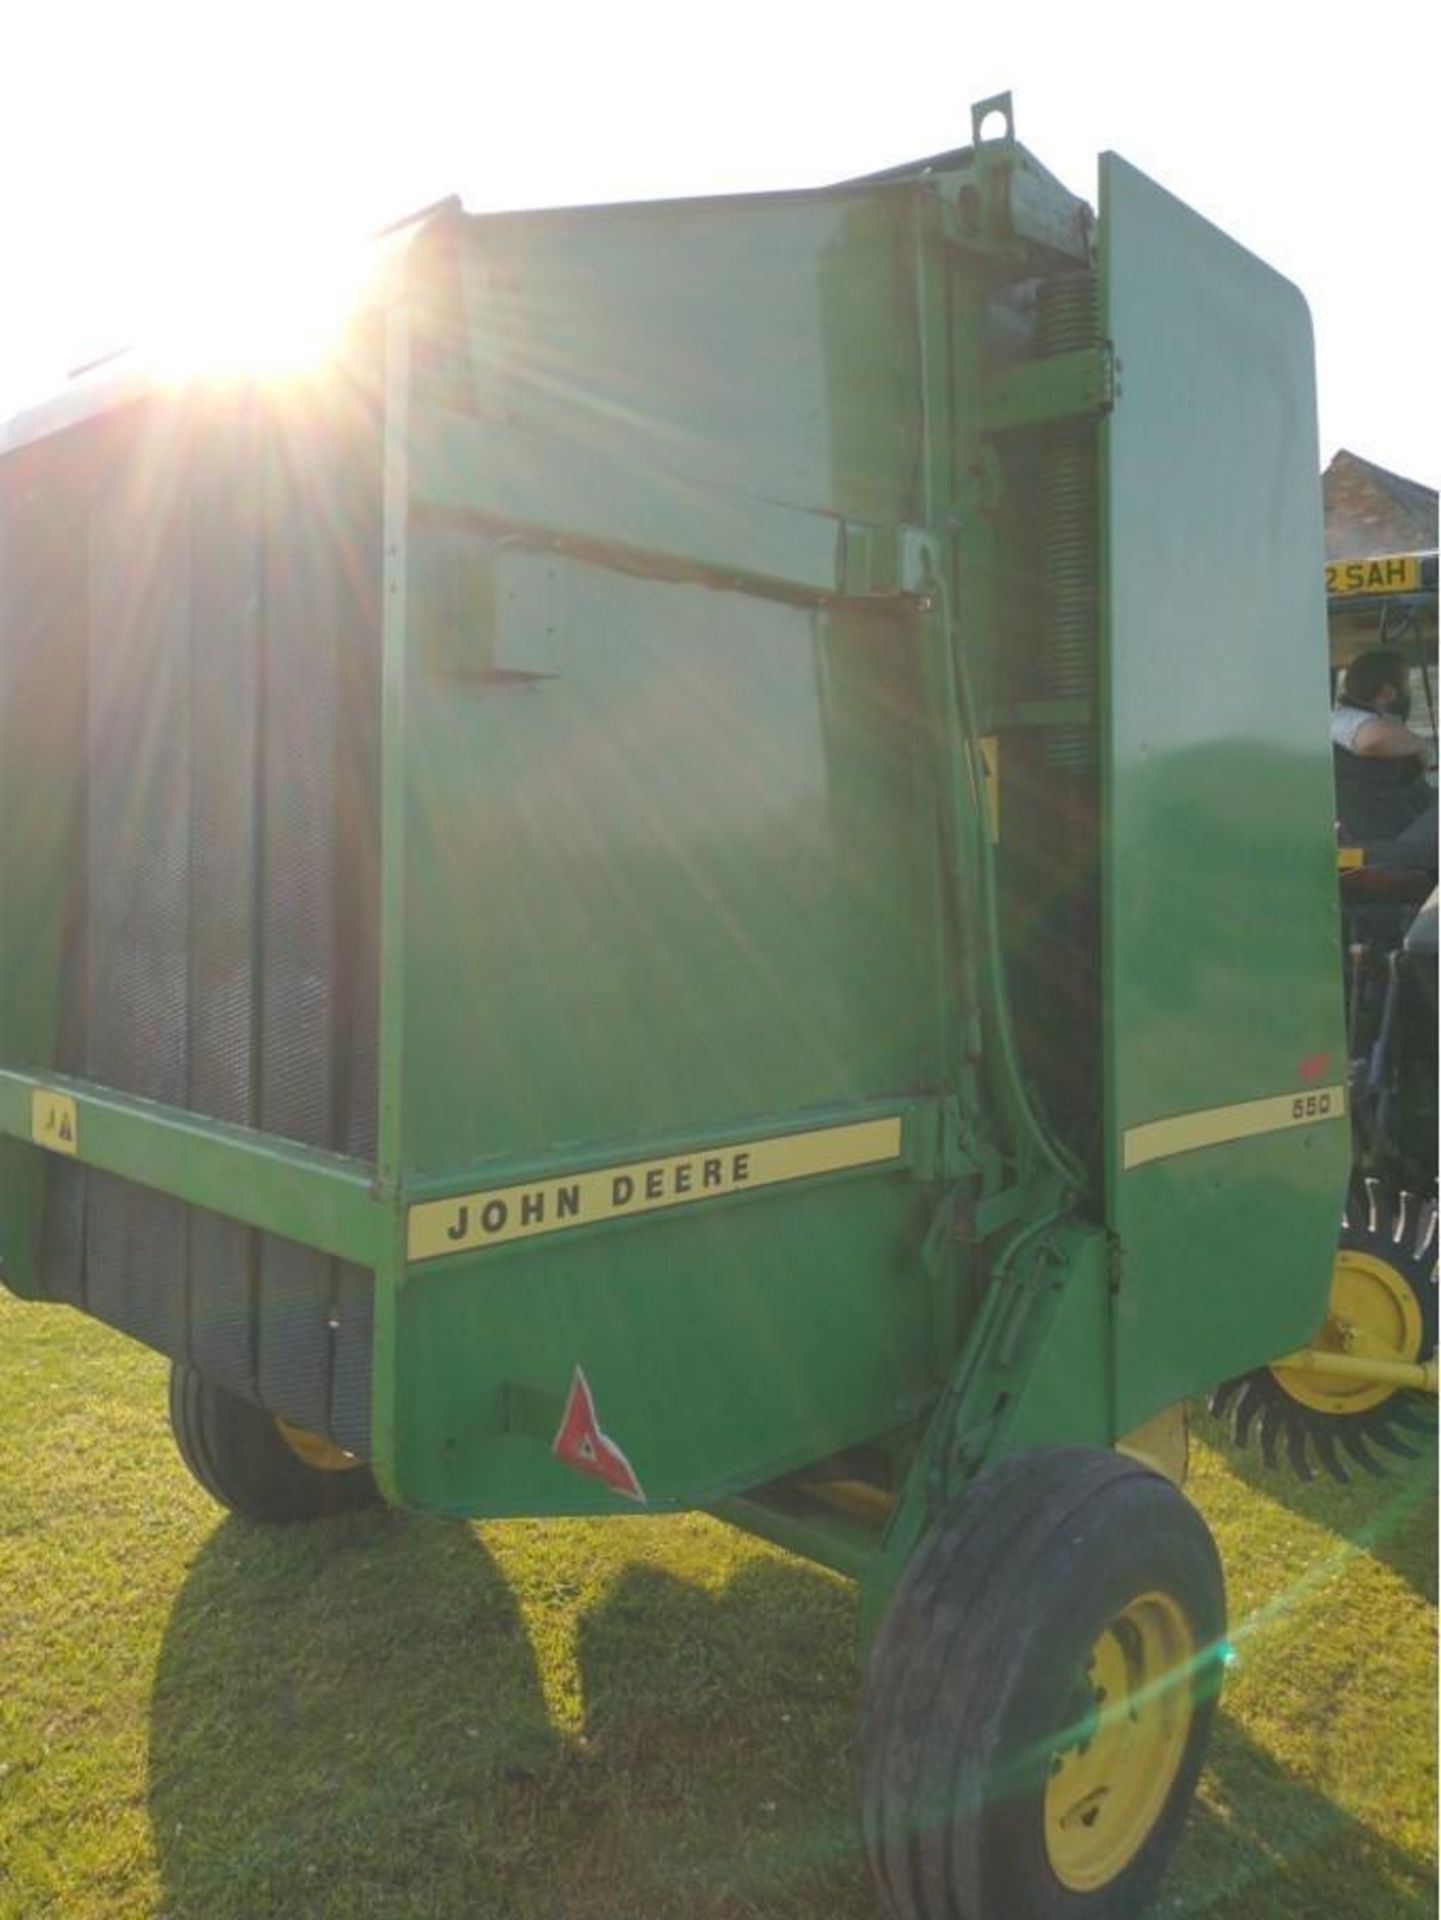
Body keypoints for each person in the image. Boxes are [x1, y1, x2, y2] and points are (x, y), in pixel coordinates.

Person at [1331, 648, 1434, 844]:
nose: (1409, 692)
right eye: (1406, 684)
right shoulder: (1342, 720)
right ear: (1388, 692)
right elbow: (1372, 739)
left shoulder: (1372, 722)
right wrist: (1420, 746)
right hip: (1392, 841)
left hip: (1404, 826)